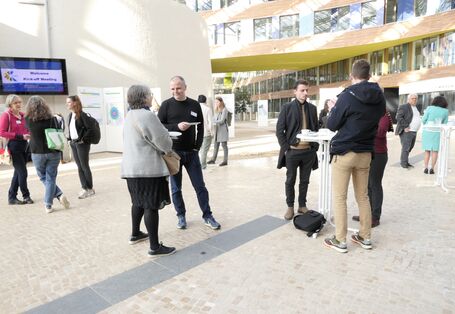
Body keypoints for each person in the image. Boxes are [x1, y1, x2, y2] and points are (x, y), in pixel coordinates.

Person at [324, 59, 385, 253]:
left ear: (352, 75)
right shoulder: (380, 97)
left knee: (340, 197)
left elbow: (332, 125)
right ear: (369, 75)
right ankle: (365, 237)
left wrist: (334, 108)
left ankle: (340, 240)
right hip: (366, 152)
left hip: (345, 152)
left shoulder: (347, 96)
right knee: (363, 196)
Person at [158, 76, 221, 230]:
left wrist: (197, 147)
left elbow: (200, 127)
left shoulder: (194, 105)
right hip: (174, 153)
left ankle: (207, 215)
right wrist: (176, 127)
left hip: (191, 153)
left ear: (185, 87)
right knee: (176, 188)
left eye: (178, 88)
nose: (175, 91)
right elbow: (159, 127)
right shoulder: (166, 105)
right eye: (172, 88)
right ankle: (181, 216)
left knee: (200, 186)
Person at [121, 85, 176, 257]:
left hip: (131, 168)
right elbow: (164, 143)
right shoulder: (147, 115)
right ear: (144, 98)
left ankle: (135, 233)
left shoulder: (129, 115)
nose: (151, 97)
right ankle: (154, 247)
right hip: (147, 169)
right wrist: (168, 138)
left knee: (137, 201)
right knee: (150, 206)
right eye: (150, 95)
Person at [276, 79, 319, 220]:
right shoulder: (287, 107)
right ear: (295, 91)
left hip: (308, 152)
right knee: (290, 180)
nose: (305, 93)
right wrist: (287, 148)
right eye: (302, 90)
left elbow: (316, 129)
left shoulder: (312, 108)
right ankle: (290, 206)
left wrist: (315, 148)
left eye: (307, 90)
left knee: (305, 180)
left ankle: (302, 205)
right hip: (293, 152)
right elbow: (279, 130)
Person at [25, 96, 70, 213]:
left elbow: (28, 131)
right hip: (53, 151)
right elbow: (57, 130)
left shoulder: (28, 119)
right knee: (51, 178)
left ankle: (52, 201)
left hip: (37, 152)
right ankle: (54, 199)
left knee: (43, 177)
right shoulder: (52, 118)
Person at [352, 111, 394, 228]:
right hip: (367, 153)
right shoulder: (369, 113)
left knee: (375, 184)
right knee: (367, 185)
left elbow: (380, 132)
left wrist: (364, 127)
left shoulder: (383, 114)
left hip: (379, 154)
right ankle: (366, 214)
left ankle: (375, 217)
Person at [0, 94, 33, 205]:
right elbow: (2, 132)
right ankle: (26, 196)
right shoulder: (6, 115)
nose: (19, 104)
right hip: (14, 146)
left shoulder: (23, 116)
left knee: (17, 173)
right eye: (16, 103)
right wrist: (20, 136)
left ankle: (12, 197)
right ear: (10, 104)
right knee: (23, 172)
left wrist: (28, 134)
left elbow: (27, 129)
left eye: (19, 102)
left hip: (25, 146)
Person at [66, 95, 95, 199]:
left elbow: (90, 129)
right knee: (79, 167)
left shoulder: (82, 115)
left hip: (82, 144)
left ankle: (90, 188)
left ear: (74, 103)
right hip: (73, 143)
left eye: (69, 102)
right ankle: (84, 187)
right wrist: (69, 139)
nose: (67, 104)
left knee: (84, 166)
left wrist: (83, 140)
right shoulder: (70, 115)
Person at [421, 96, 449, 174]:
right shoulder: (445, 111)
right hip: (437, 132)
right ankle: (432, 168)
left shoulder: (429, 108)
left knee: (427, 150)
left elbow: (423, 120)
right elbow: (445, 123)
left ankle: (426, 167)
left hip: (427, 131)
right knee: (435, 151)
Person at [395, 94, 421, 169]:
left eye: (416, 98)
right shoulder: (404, 106)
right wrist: (405, 126)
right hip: (407, 131)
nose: (415, 100)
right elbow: (398, 117)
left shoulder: (415, 107)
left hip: (414, 131)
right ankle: (404, 163)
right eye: (413, 98)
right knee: (406, 148)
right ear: (408, 99)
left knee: (410, 147)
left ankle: (405, 161)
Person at [207, 96, 229, 167]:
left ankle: (225, 161)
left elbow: (222, 121)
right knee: (216, 146)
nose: (216, 103)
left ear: (221, 102)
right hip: (217, 130)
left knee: (224, 145)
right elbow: (214, 118)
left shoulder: (224, 110)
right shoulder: (216, 109)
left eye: (217, 102)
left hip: (222, 130)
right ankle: (213, 160)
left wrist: (213, 121)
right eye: (215, 102)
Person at [197, 94, 213, 169]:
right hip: (206, 133)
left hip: (197, 133)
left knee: (199, 149)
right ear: (205, 100)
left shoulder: (196, 109)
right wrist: (211, 132)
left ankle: (199, 164)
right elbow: (210, 122)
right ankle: (202, 165)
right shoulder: (208, 109)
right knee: (204, 150)